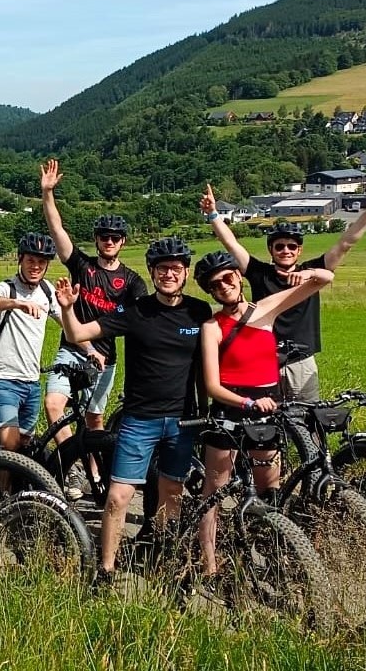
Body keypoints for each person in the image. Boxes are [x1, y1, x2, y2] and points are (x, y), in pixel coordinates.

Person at [57, 237, 212, 581]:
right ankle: (106, 570)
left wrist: (205, 411)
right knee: (117, 497)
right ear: (152, 272)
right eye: (162, 269)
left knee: (172, 494)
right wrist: (68, 308)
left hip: (182, 421)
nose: (169, 274)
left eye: (175, 268)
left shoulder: (199, 312)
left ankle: (164, 559)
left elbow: (205, 366)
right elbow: (78, 333)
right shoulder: (135, 310)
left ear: (186, 272)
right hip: (139, 420)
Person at [193, 250, 333, 575]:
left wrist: (304, 275)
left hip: (266, 410)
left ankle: (271, 551)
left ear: (239, 277)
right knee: (214, 491)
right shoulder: (212, 327)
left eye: (228, 278)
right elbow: (212, 386)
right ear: (210, 292)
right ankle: (209, 563)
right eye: (215, 285)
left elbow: (326, 278)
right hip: (231, 410)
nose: (224, 286)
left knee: (270, 489)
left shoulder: (265, 309)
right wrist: (247, 404)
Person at [202, 184, 366, 402]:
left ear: (299, 250)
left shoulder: (313, 271)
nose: (286, 251)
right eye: (279, 246)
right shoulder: (260, 273)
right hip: (264, 359)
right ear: (271, 250)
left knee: (307, 415)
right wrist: (213, 213)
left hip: (301, 360)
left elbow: (344, 244)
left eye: (291, 246)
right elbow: (231, 243)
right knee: (268, 417)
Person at [39, 158, 147, 452]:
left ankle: (95, 471)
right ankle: (70, 459)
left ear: (123, 242)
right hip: (70, 350)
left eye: (115, 238)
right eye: (104, 237)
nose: (109, 241)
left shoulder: (132, 281)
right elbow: (57, 230)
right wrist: (47, 193)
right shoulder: (82, 266)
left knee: (94, 419)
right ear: (96, 240)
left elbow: (140, 318)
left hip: (105, 358)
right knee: (53, 406)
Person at [0, 233, 61, 455]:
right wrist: (16, 303)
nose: (36, 266)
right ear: (20, 259)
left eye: (41, 262)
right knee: (10, 444)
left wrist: (90, 349)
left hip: (32, 382)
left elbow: (69, 325)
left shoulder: (47, 291)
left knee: (25, 444)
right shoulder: (7, 288)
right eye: (30, 260)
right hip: (3, 380)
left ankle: (9, 477)